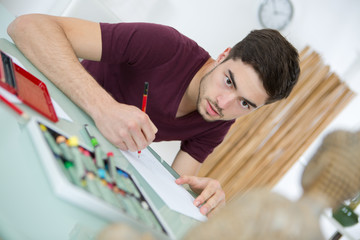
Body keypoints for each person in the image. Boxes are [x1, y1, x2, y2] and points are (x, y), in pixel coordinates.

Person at [7, 14, 300, 216]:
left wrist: (201, 198)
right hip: (38, 116)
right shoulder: (165, 46)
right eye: (228, 80)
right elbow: (26, 26)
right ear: (223, 55)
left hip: (84, 160)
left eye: (245, 103)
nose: (224, 104)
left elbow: (172, 189)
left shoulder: (217, 122)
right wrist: (104, 108)